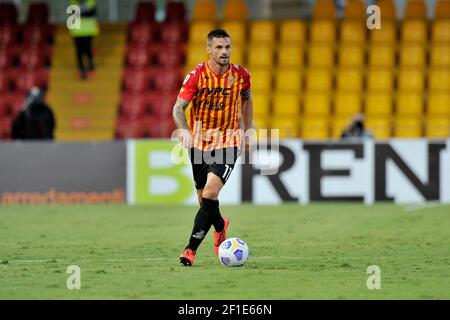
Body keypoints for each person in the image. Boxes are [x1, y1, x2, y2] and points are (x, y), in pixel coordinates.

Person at [172, 29, 253, 266]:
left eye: (227, 47)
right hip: (199, 143)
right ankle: (220, 225)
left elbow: (247, 98)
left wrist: (247, 129)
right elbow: (178, 108)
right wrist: (185, 130)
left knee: (210, 193)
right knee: (203, 200)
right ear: (209, 49)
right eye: (219, 47)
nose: (224, 51)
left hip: (228, 140)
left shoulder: (241, 75)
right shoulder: (197, 75)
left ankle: (190, 250)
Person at [70, 0, 99, 80]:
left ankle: (91, 66)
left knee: (88, 49)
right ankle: (80, 68)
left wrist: (80, 13)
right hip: (77, 31)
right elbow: (72, 14)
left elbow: (92, 13)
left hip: (88, 30)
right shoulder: (73, 2)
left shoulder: (91, 2)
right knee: (79, 51)